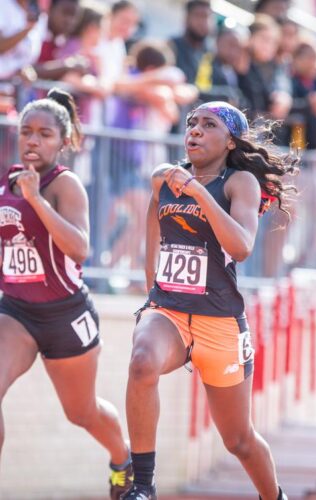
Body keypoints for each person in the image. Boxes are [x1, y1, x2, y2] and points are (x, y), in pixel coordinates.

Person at [122, 101, 296, 500]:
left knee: (238, 440)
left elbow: (241, 246)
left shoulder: (239, 184)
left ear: (229, 139)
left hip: (220, 320)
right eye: (191, 124)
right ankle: (143, 486)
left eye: (208, 124)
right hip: (170, 311)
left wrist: (199, 191)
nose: (195, 131)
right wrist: (153, 291)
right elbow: (154, 223)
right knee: (141, 361)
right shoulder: (164, 178)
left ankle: (275, 497)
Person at [0, 88, 132, 500]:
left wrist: (36, 199)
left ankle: (123, 458)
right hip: (17, 312)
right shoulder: (8, 182)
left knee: (81, 412)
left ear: (64, 141)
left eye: (44, 134)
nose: (34, 141)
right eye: (27, 132)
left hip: (65, 316)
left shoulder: (65, 184)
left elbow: (79, 249)